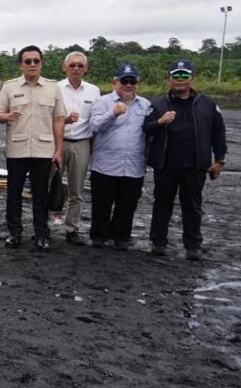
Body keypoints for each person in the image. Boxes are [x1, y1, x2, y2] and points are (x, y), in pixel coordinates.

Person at [145, 60, 227, 260]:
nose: (180, 80)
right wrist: (160, 121)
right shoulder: (158, 104)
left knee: (192, 206)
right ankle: (158, 242)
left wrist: (220, 160)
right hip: (166, 165)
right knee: (162, 204)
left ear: (192, 79)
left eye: (184, 76)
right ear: (169, 79)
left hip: (196, 165)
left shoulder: (207, 104)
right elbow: (145, 128)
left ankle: (193, 245)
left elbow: (219, 132)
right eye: (176, 76)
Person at [0, 45, 66, 251]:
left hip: (43, 150)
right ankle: (14, 233)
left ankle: (41, 234)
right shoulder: (10, 87)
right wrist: (5, 116)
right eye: (28, 61)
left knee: (41, 195)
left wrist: (59, 150)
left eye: (36, 61)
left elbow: (59, 120)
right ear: (21, 65)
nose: (32, 65)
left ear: (41, 63)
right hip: (17, 149)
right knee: (14, 193)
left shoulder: (53, 88)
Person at [88, 64, 150, 250]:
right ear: (115, 82)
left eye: (133, 81)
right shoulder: (102, 102)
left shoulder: (145, 105)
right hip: (106, 163)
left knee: (128, 203)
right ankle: (99, 235)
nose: (128, 85)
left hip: (133, 164)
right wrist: (113, 113)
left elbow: (151, 132)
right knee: (102, 203)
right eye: (124, 81)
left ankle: (121, 236)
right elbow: (94, 126)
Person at [56, 51, 101, 245]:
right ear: (64, 67)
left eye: (80, 65)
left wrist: (94, 149)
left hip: (82, 143)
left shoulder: (94, 91)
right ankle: (47, 225)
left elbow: (96, 120)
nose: (76, 69)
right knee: (52, 187)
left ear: (86, 68)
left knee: (77, 190)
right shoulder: (55, 88)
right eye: (72, 65)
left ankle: (71, 228)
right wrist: (64, 121)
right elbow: (47, 117)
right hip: (58, 141)